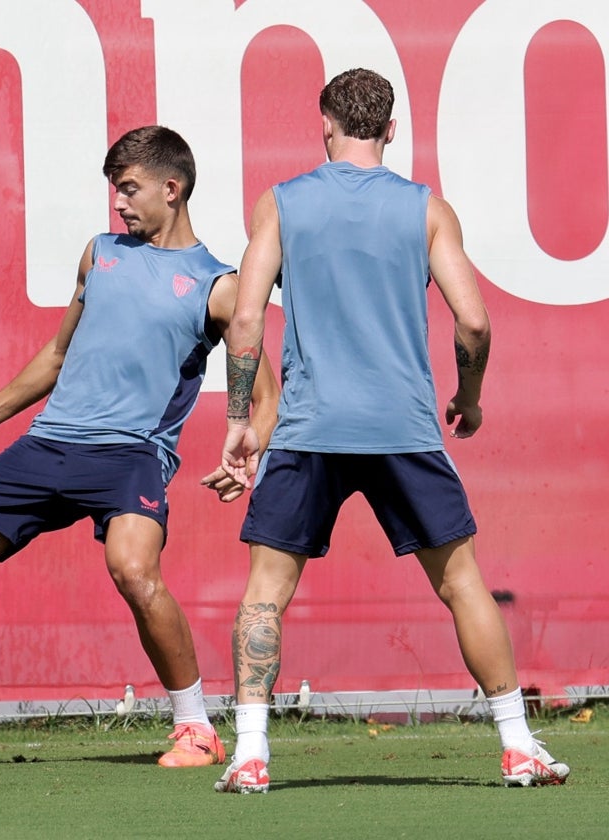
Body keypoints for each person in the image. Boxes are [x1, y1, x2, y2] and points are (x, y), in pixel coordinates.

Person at [0, 125, 278, 770]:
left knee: (134, 571)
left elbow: (265, 392)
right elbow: (59, 354)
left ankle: (196, 728)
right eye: (114, 190)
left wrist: (249, 448)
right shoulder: (101, 255)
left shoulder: (219, 287)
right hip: (46, 446)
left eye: (129, 189)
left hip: (131, 454)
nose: (118, 203)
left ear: (171, 189)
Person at [215, 68, 570, 793]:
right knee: (463, 583)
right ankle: (517, 747)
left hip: (310, 430)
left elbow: (246, 320)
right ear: (392, 129)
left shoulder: (281, 204)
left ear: (324, 124)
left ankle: (250, 753)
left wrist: (238, 420)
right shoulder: (425, 209)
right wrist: (469, 398)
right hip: (403, 427)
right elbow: (473, 321)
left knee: (265, 592)